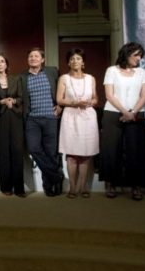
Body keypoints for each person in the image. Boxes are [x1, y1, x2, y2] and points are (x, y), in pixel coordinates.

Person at [100, 42, 145, 200]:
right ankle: (111, 183)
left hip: (136, 113)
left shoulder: (141, 72)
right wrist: (124, 112)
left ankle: (136, 186)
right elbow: (109, 95)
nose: (139, 58)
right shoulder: (112, 70)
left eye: (140, 55)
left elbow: (144, 95)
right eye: (136, 55)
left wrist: (132, 112)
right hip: (113, 113)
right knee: (111, 149)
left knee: (135, 150)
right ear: (126, 54)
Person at [19, 47, 63, 197]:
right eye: (30, 56)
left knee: (50, 152)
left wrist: (60, 105)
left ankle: (50, 186)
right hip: (32, 119)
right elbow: (21, 97)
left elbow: (63, 90)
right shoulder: (23, 77)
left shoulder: (52, 72)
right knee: (33, 148)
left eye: (36, 56)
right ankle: (57, 175)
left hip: (51, 118)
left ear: (42, 60)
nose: (33, 58)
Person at [56, 48, 99, 198]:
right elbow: (59, 99)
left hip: (87, 117)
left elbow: (95, 98)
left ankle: (83, 186)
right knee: (72, 154)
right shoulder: (64, 78)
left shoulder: (90, 78)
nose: (75, 61)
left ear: (83, 62)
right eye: (72, 59)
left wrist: (90, 102)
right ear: (68, 62)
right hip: (71, 116)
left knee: (85, 154)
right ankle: (73, 188)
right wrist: (75, 102)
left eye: (78, 59)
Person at [0, 53, 26, 197]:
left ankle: (19, 188)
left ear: (6, 64)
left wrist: (14, 101)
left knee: (17, 151)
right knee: (3, 153)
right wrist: (1, 102)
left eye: (2, 61)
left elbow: (22, 97)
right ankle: (6, 187)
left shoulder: (16, 79)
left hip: (15, 116)